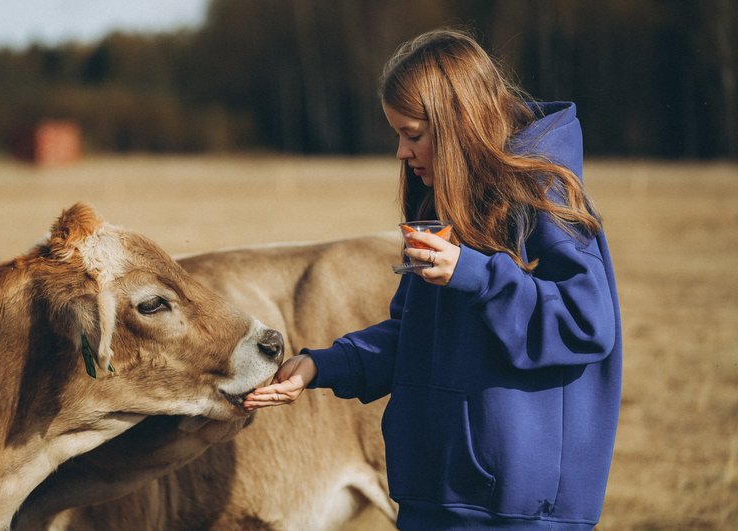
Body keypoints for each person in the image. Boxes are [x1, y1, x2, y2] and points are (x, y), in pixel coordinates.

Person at [243, 28, 622, 530]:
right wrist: (318, 366)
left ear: (461, 124)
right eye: (397, 134)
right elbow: (413, 339)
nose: (401, 152)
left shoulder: (544, 196)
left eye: (413, 134)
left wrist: (477, 275)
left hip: (515, 514)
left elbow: (586, 323)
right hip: (432, 502)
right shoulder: (444, 206)